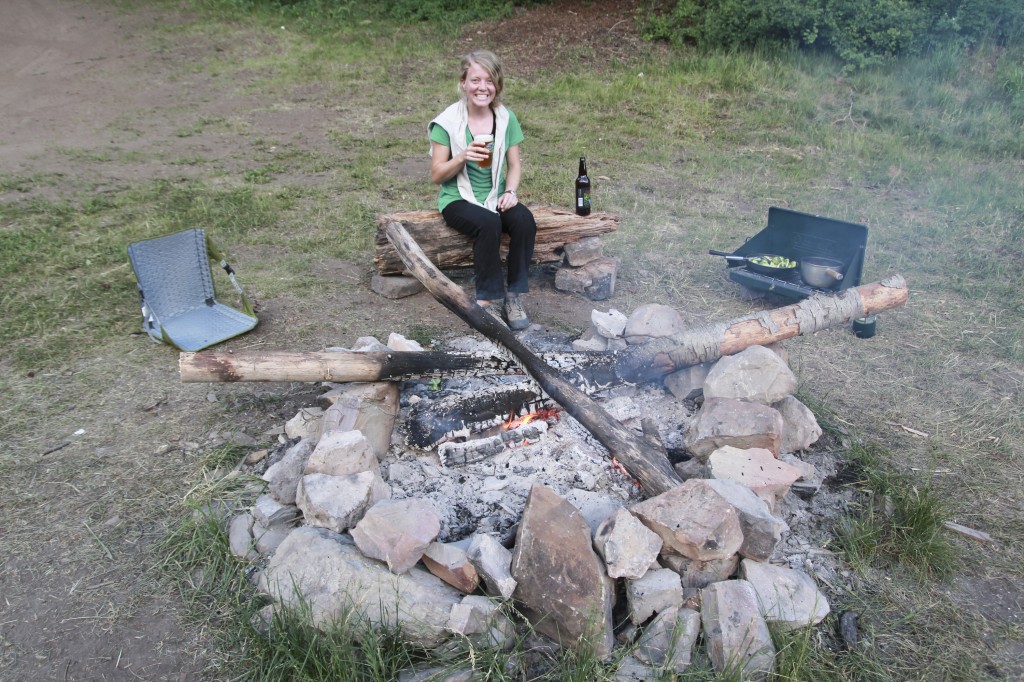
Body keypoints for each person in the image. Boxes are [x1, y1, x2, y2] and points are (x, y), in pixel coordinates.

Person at [428, 50, 537, 330]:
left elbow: (514, 165)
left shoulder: (505, 118)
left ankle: (513, 296)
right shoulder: (447, 122)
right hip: (458, 198)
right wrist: (463, 155)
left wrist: (510, 192)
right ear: (463, 82)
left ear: (496, 85)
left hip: (494, 196)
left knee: (524, 220)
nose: (482, 87)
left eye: (489, 81)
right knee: (489, 222)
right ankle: (487, 299)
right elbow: (437, 175)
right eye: (475, 80)